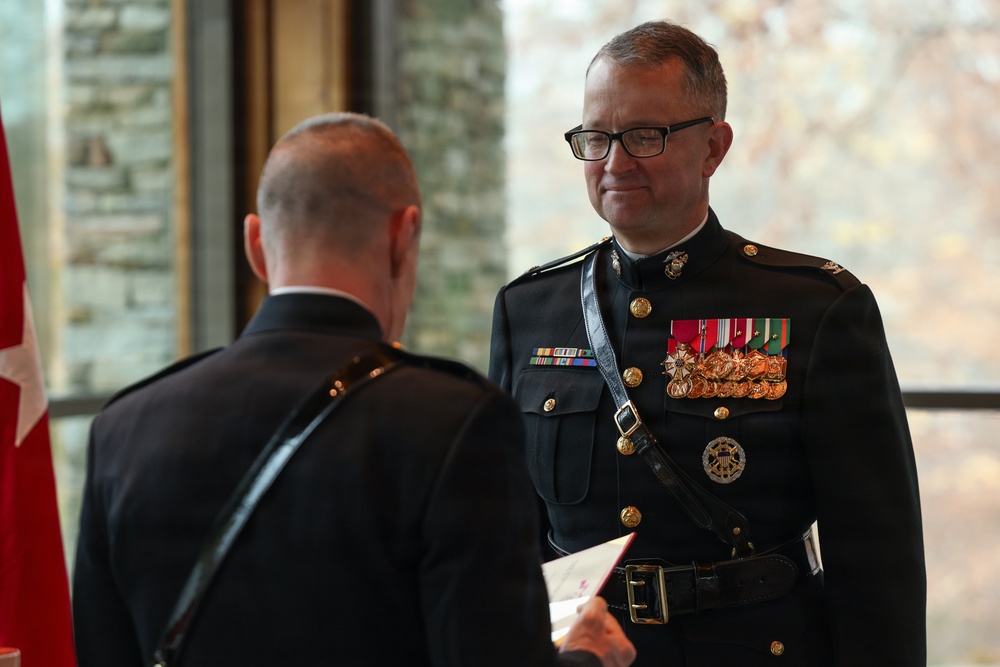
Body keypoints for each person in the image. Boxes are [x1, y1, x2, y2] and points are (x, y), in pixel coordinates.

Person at [72, 112, 636, 667]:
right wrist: (586, 657)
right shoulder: (452, 424)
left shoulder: (123, 428)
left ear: (255, 244)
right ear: (403, 234)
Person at [489, 20, 925, 666]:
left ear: (713, 148)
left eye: (644, 135)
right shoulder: (529, 311)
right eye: (596, 137)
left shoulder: (815, 308)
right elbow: (507, 540)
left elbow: (876, 562)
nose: (614, 162)